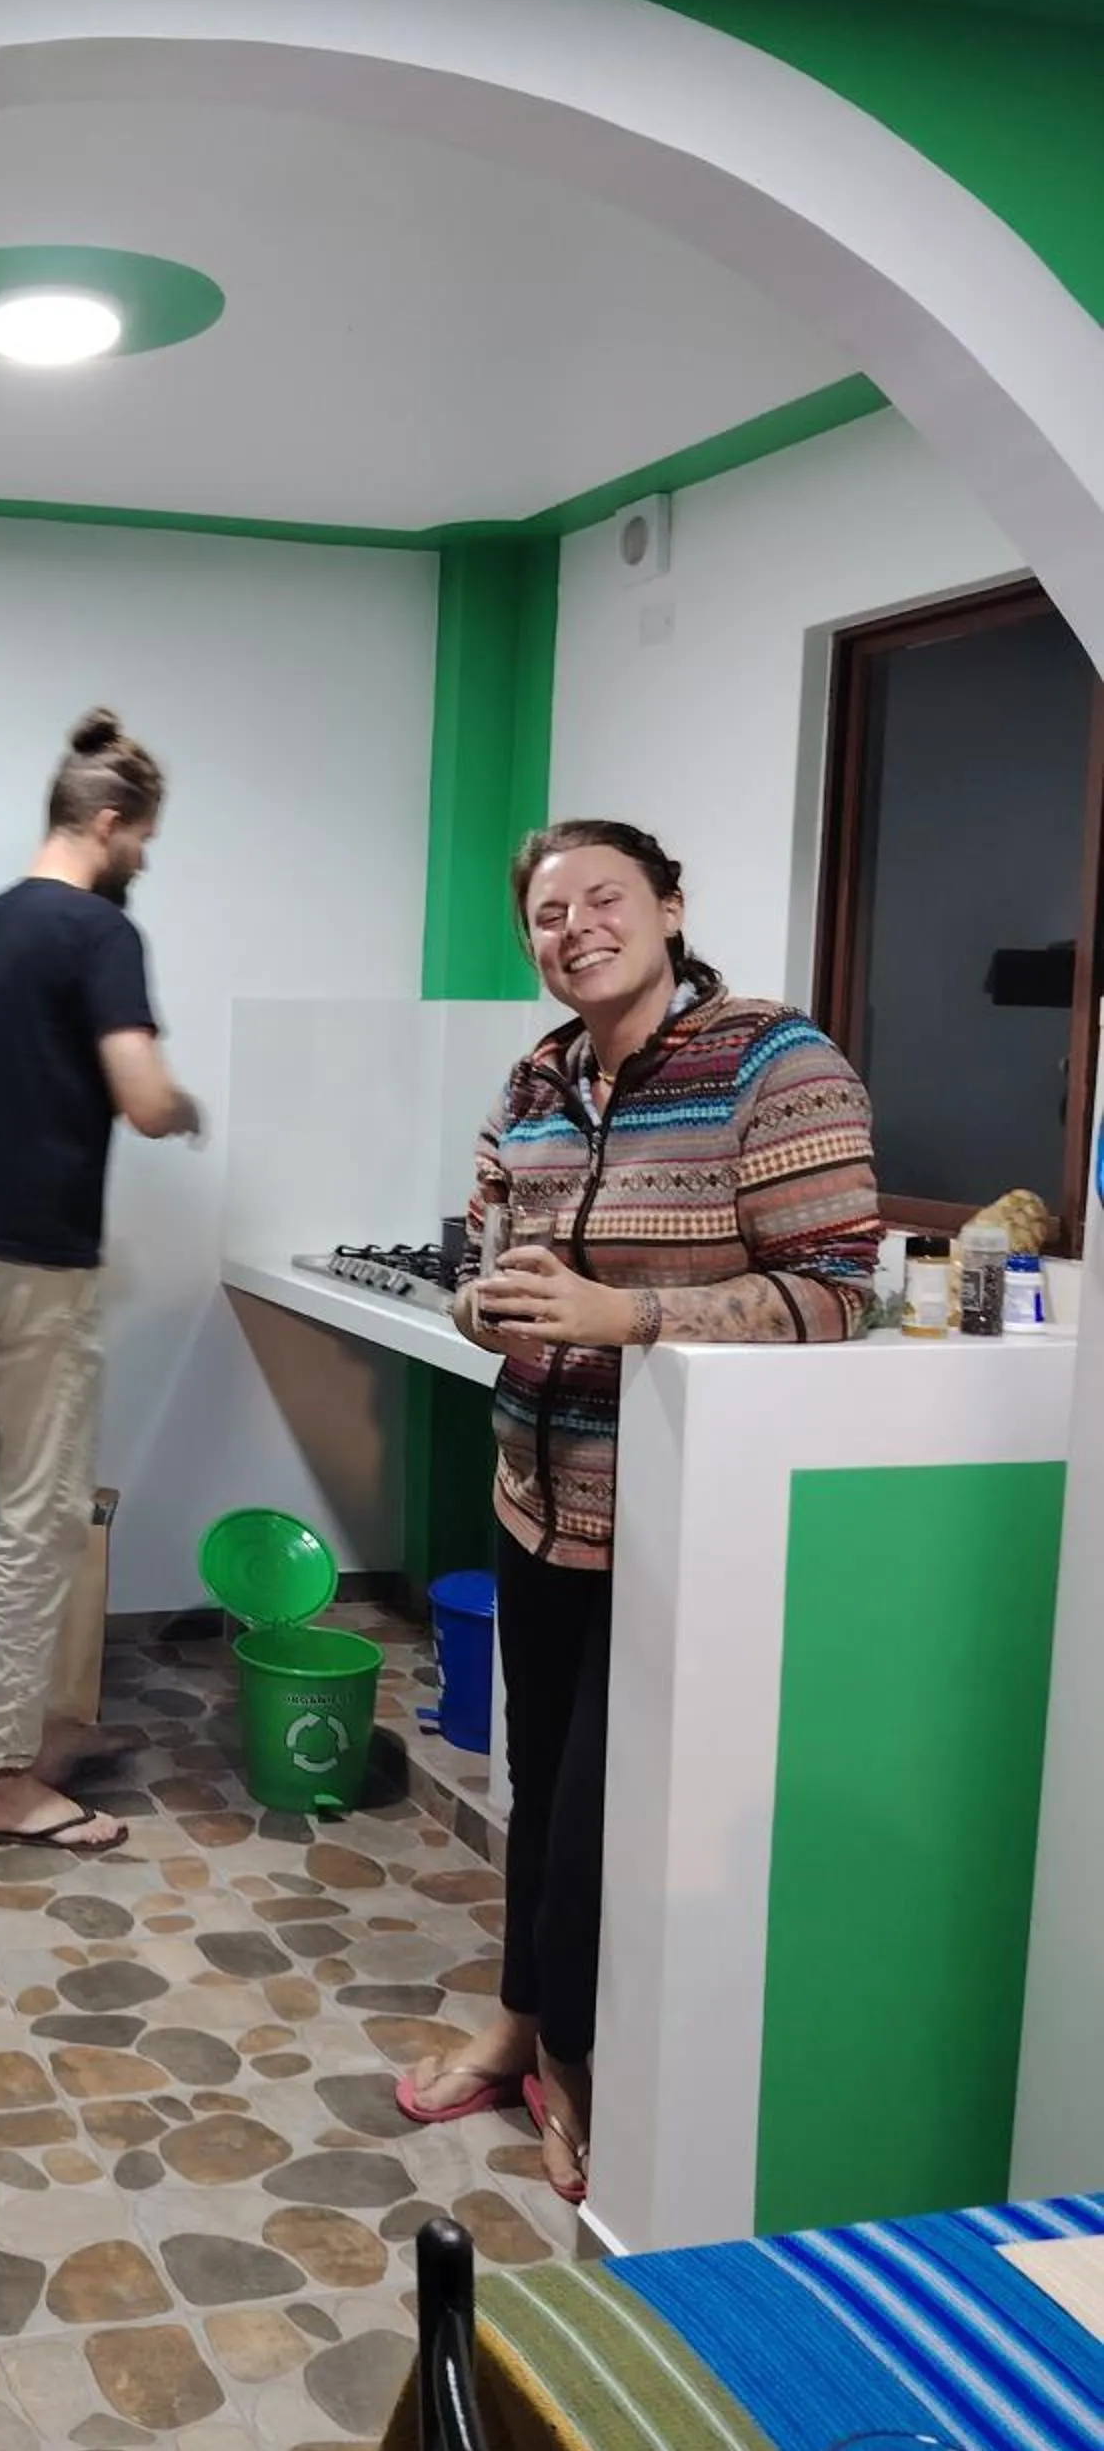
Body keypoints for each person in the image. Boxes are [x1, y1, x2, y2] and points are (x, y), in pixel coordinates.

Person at [396, 820, 879, 2202]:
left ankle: (585, 2072)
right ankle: (523, 2021)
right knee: (537, 1790)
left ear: (671, 904)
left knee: (605, 1822)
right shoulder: (538, 1075)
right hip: (536, 1494)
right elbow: (476, 1249)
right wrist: (477, 1298)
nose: (573, 930)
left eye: (601, 900)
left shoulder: (772, 1062)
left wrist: (634, 1318)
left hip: (678, 1521)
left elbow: (835, 1289)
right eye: (546, 915)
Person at [0, 709, 204, 1856]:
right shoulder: (97, 933)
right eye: (142, 840)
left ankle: (41, 1730)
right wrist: (181, 1107)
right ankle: (2, 1781)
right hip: (36, 1261)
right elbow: (141, 1094)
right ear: (107, 821)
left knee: (37, 1502)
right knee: (45, 1520)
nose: (142, 861)